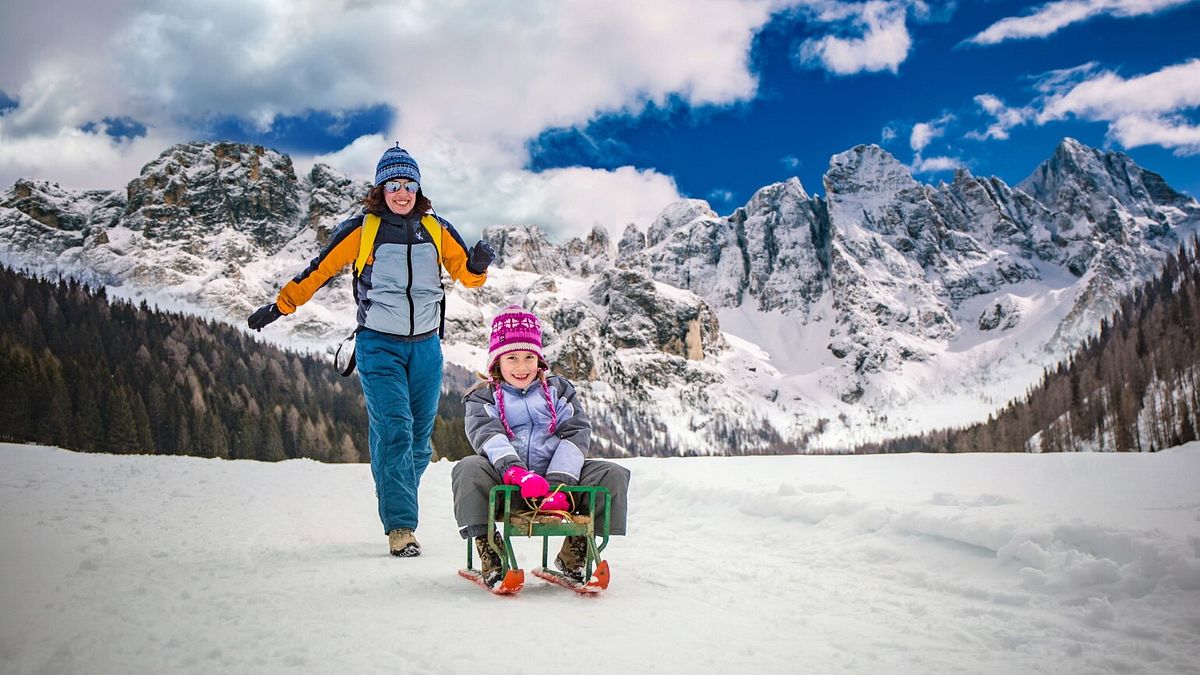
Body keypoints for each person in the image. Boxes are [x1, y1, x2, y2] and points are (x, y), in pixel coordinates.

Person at [246, 144, 495, 557]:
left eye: (409, 184)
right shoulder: (362, 230)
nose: (402, 192)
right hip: (379, 346)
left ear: (418, 188)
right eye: (394, 184)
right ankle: (401, 528)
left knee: (417, 442)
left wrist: (479, 265)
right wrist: (280, 306)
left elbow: (465, 277)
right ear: (381, 189)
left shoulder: (435, 228)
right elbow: (319, 269)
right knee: (396, 428)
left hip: (428, 348)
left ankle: (391, 485)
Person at [452, 305, 630, 587]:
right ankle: (490, 550)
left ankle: (575, 550)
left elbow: (576, 433)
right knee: (468, 469)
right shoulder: (483, 396)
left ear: (539, 359)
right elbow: (487, 434)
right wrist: (516, 473)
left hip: (557, 485)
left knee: (612, 475)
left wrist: (558, 483)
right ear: (498, 361)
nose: (521, 367)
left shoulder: (559, 390)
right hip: (508, 483)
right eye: (512, 358)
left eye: (528, 357)